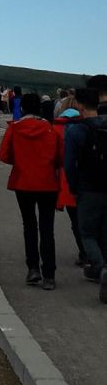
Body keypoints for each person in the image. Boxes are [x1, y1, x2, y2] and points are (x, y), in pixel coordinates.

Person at [0, 91, 62, 288]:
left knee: (29, 225)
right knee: (47, 228)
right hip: (47, 185)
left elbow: (4, 155)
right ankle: (49, 276)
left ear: (23, 108)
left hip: (23, 184)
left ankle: (33, 269)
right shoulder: (51, 130)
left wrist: (20, 164)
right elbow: (60, 158)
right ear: (41, 110)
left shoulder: (15, 129)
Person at [63, 84, 107, 296]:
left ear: (79, 105)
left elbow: (69, 164)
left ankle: (102, 269)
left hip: (88, 188)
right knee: (105, 233)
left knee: (87, 233)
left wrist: (73, 186)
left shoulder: (76, 130)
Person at [55, 95, 86, 266]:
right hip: (92, 181)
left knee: (76, 220)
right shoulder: (88, 126)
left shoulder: (57, 128)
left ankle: (85, 253)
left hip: (68, 182)